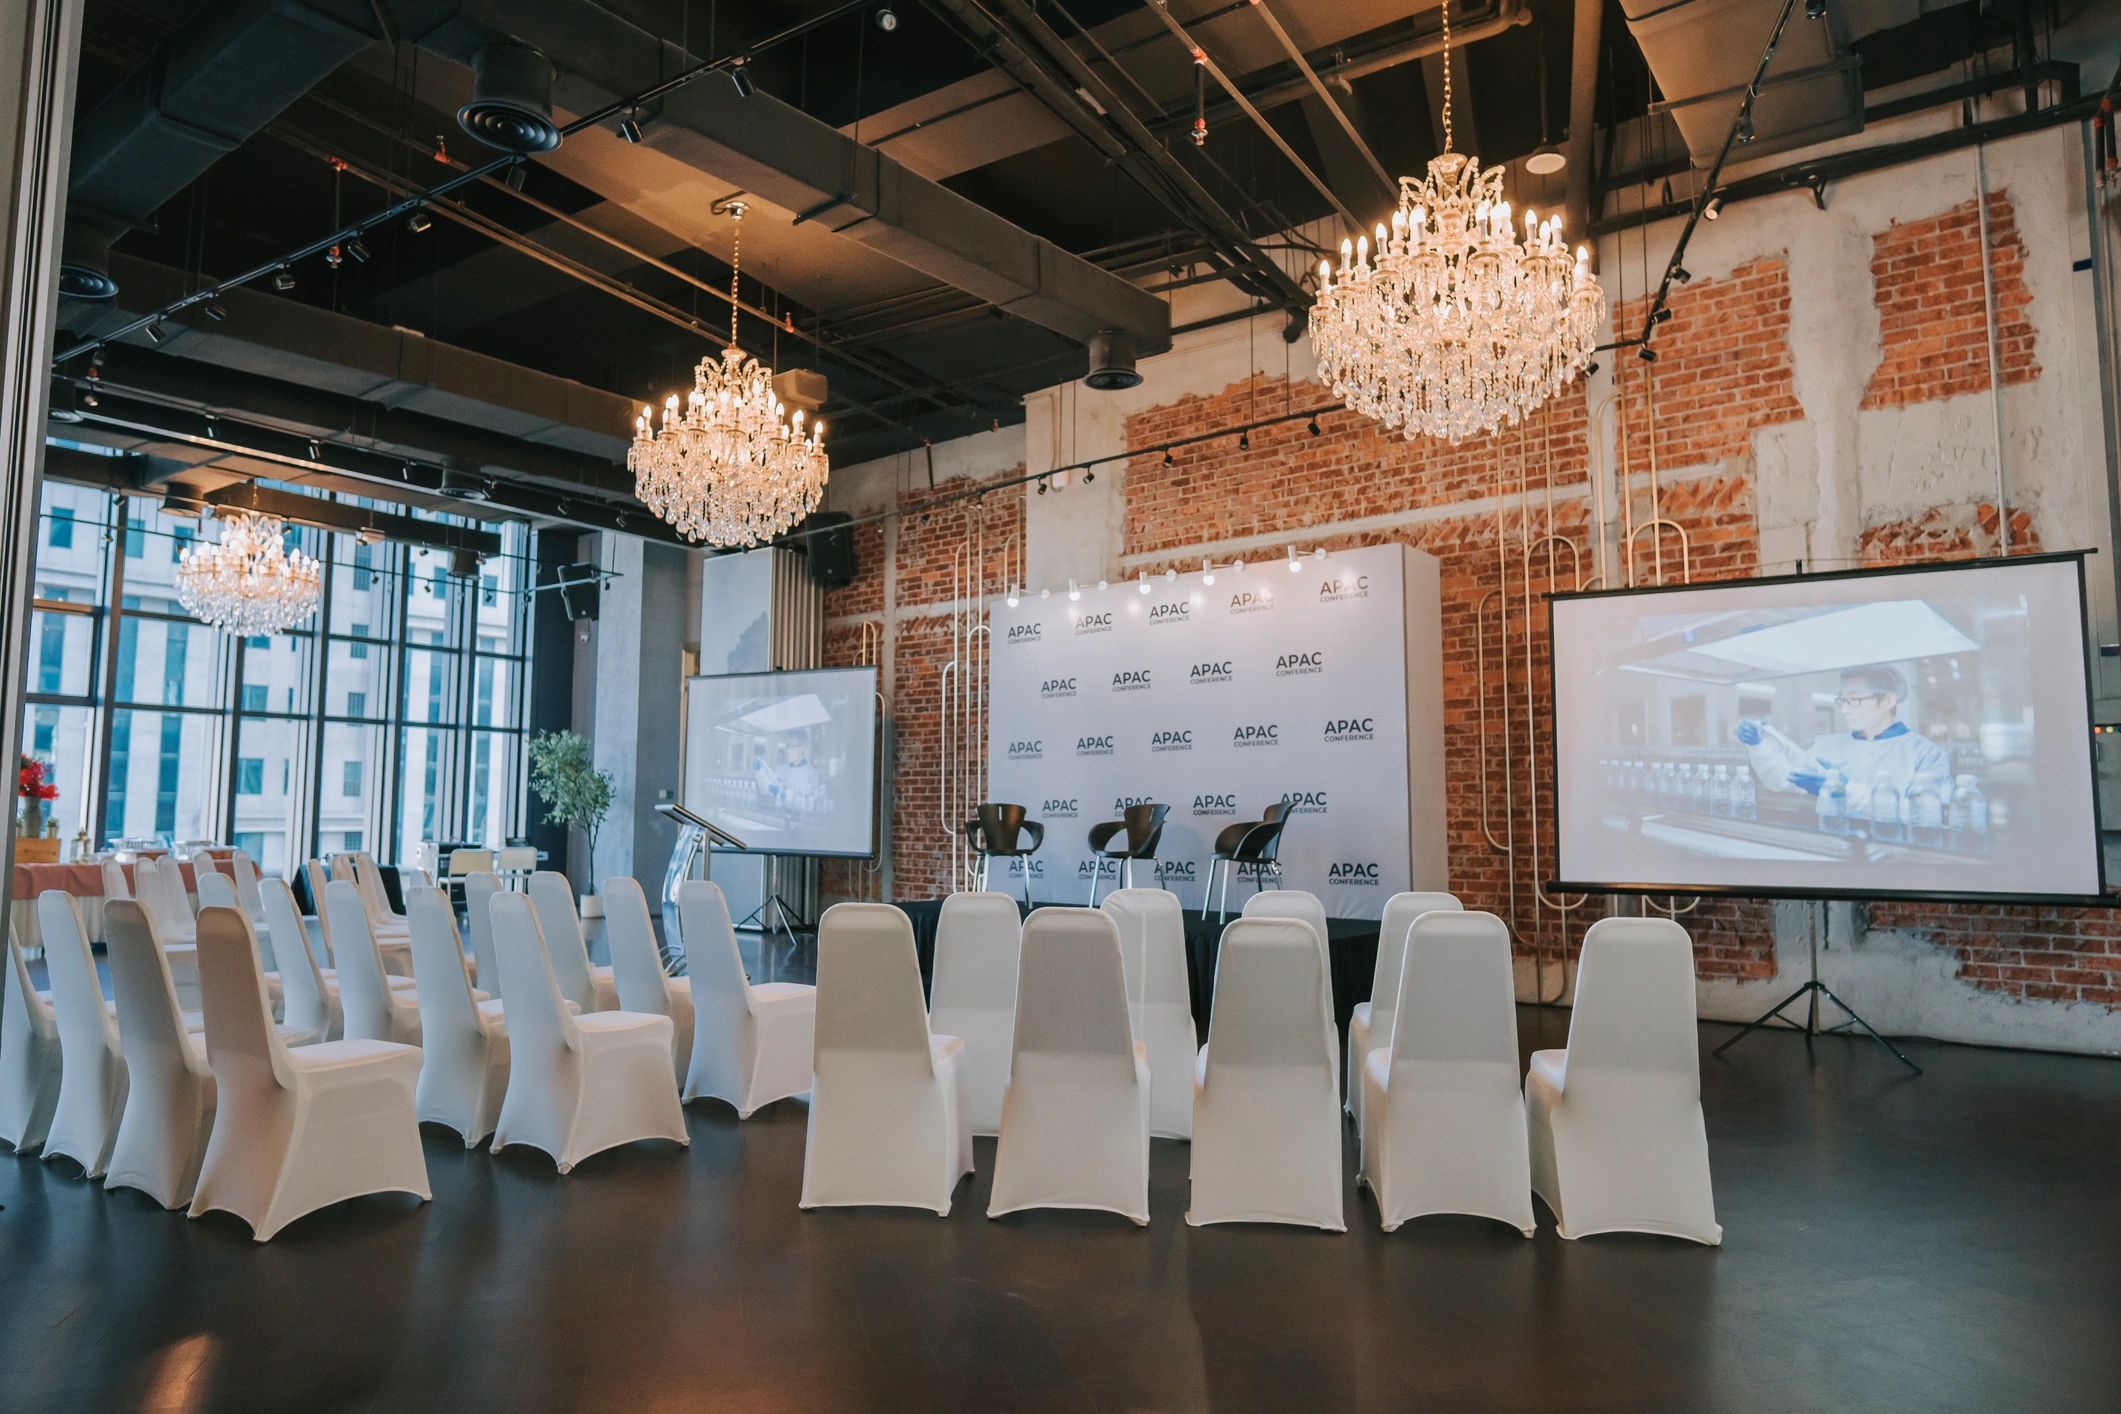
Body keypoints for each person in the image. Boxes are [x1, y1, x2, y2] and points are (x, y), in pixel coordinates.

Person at [1737, 664, 1952, 801]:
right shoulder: (1827, 745)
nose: (1845, 709)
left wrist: (1846, 791)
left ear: (1888, 700)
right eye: (1842, 700)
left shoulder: (1926, 755)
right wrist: (1758, 746)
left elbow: (1925, 817)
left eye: (1855, 700)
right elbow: (1782, 780)